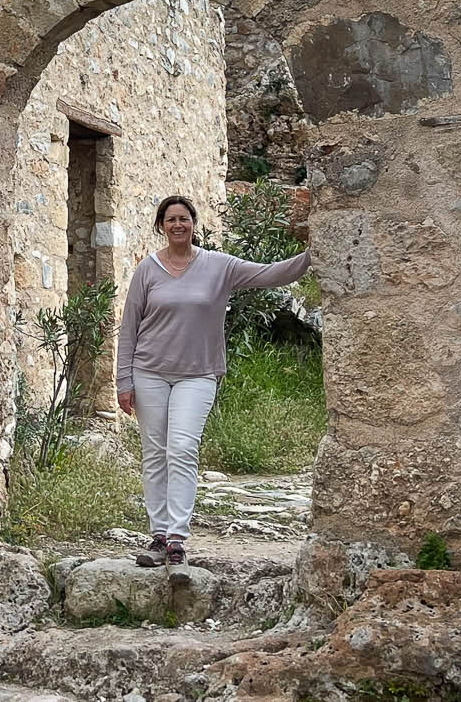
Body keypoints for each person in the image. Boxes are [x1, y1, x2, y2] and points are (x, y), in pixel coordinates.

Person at [115, 193, 313, 568]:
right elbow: (129, 328)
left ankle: (177, 538)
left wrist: (312, 253)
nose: (178, 225)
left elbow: (272, 274)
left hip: (199, 374)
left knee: (182, 448)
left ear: (193, 224)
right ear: (161, 226)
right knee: (155, 454)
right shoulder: (147, 270)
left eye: (184, 219)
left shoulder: (219, 266)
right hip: (149, 372)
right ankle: (159, 536)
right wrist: (124, 380)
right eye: (171, 219)